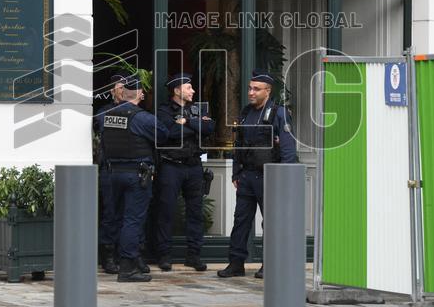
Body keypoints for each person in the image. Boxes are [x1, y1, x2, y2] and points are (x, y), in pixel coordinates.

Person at [218, 70, 297, 279]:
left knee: (270, 222)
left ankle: (269, 264)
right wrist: (236, 172)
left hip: (269, 177)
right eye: (250, 88)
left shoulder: (279, 113)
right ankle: (236, 263)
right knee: (241, 220)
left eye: (256, 89)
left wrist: (284, 177)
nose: (251, 92)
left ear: (268, 91)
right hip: (247, 176)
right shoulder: (246, 112)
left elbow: (288, 148)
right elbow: (240, 145)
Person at [98, 75, 167, 282]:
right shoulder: (143, 118)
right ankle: (127, 266)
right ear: (139, 94)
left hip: (112, 174)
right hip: (136, 175)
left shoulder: (106, 116)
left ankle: (126, 259)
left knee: (115, 217)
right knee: (133, 220)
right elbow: (163, 136)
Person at [155, 72, 215, 272]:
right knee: (166, 212)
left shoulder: (196, 109)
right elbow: (169, 133)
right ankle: (164, 256)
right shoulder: (164, 111)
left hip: (194, 166)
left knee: (195, 212)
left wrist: (187, 123)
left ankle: (194, 256)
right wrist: (196, 126)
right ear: (177, 90)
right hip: (171, 166)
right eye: (189, 88)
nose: (193, 91)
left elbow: (210, 128)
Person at [93, 73, 126, 275]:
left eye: (126, 88)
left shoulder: (138, 112)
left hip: (130, 169)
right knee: (110, 215)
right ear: (112, 91)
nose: (123, 91)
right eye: (120, 87)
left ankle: (128, 254)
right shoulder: (104, 111)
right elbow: (103, 124)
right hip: (110, 169)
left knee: (128, 215)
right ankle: (108, 256)